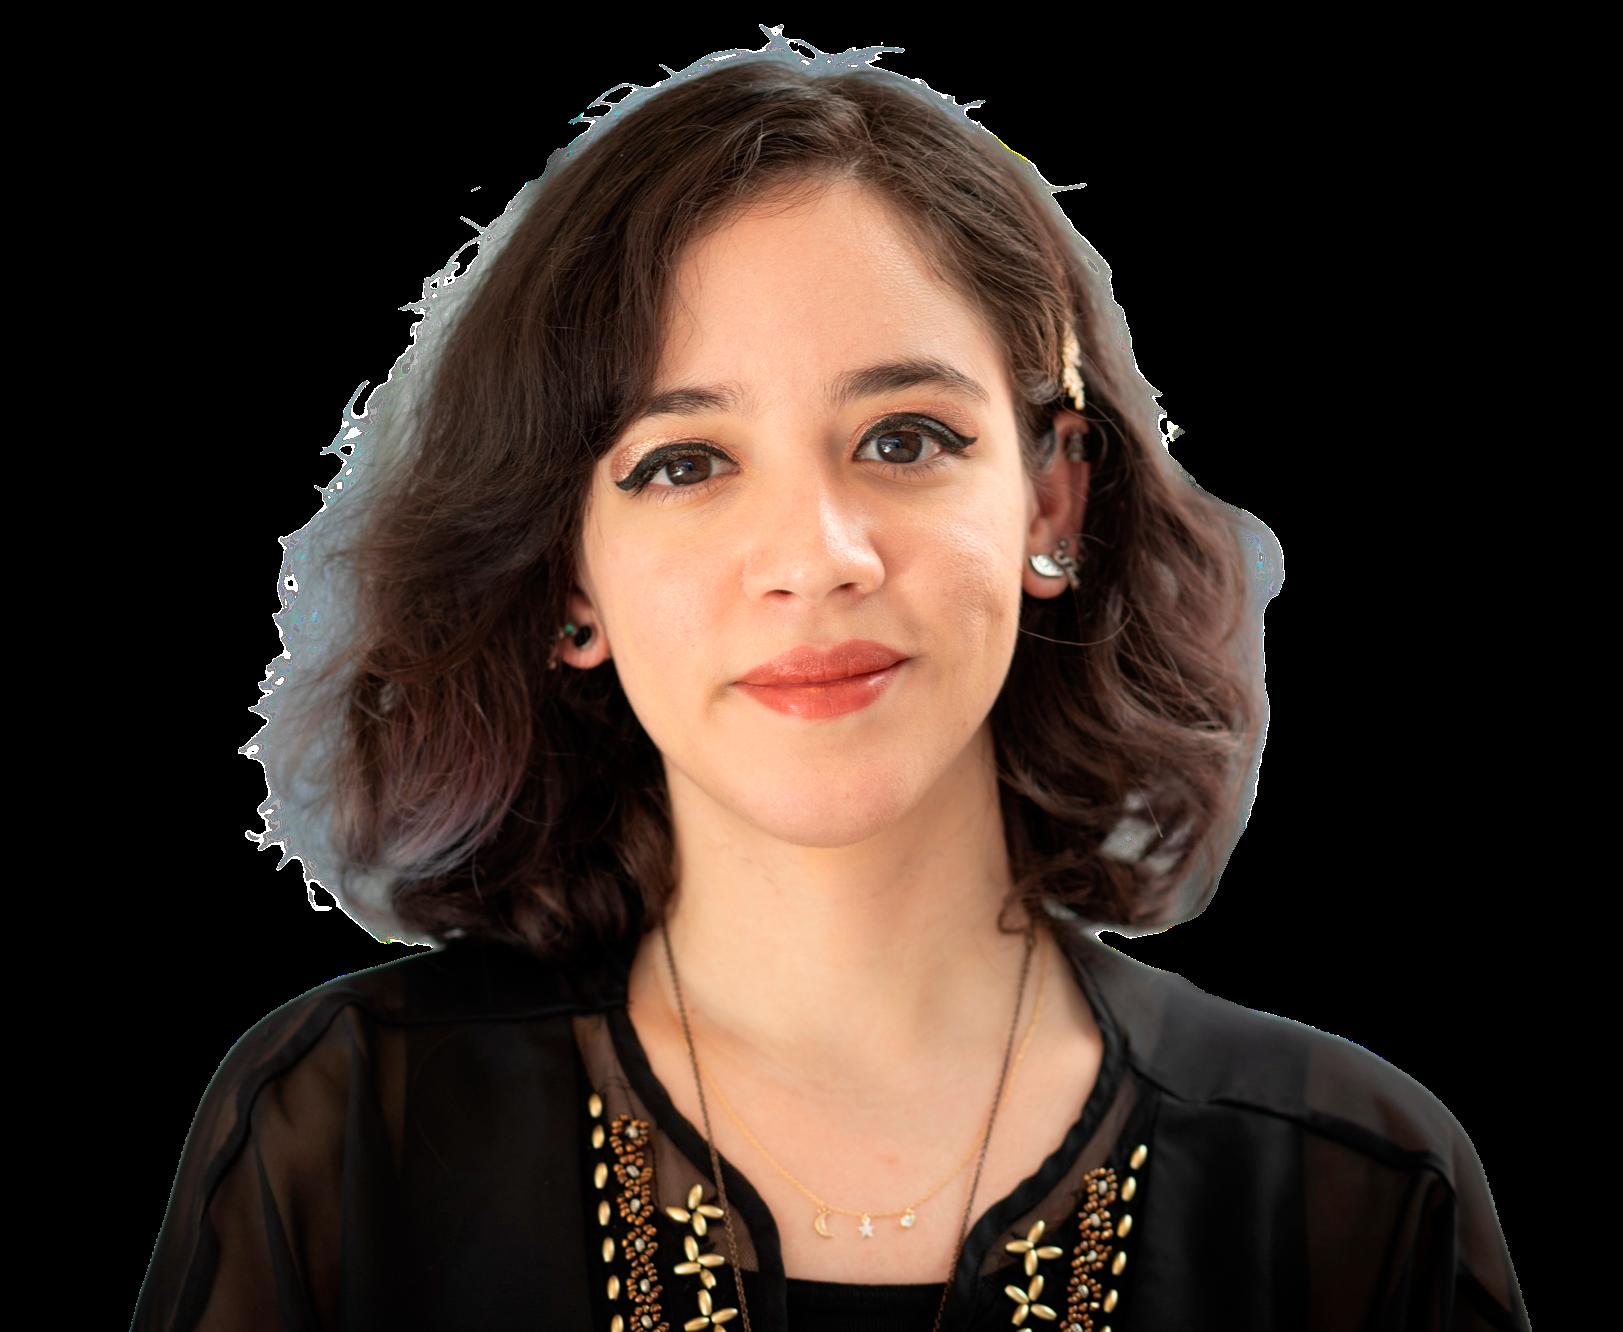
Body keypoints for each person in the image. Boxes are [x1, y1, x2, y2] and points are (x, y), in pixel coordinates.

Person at [132, 32, 1529, 1332]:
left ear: (1050, 501)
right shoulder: (347, 1139)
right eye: (685, 464)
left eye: (904, 439)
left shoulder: (1354, 1193)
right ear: (568, 578)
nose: (818, 560)